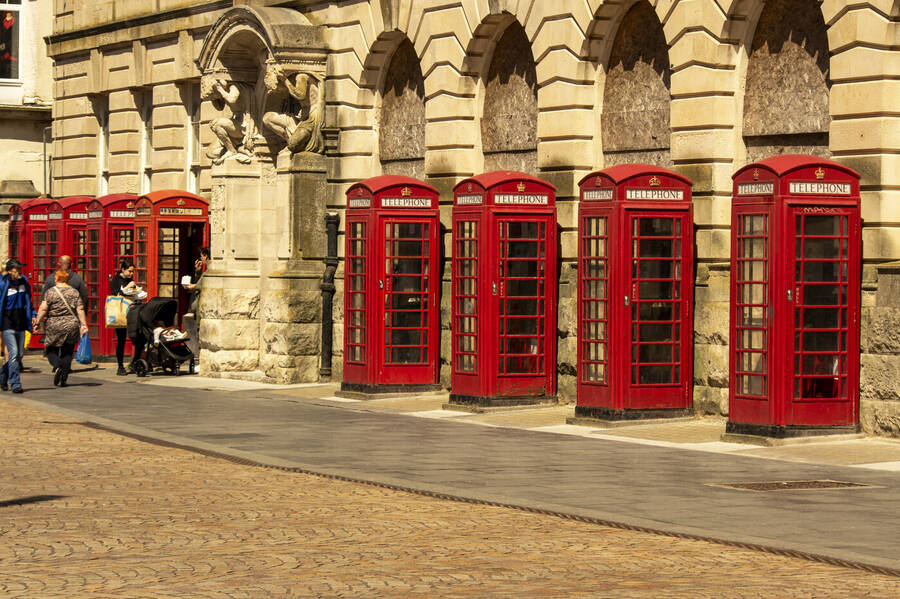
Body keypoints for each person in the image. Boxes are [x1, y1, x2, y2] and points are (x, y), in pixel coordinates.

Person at [33, 269, 89, 387]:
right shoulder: (74, 292)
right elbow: (80, 309)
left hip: (54, 324)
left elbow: (43, 308)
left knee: (50, 349)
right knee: (67, 351)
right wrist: (83, 324)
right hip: (71, 324)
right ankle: (63, 378)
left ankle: (57, 366)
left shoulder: (51, 292)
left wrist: (37, 321)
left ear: (56, 279)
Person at [0, 259, 35, 393]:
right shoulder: (3, 283)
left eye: (20, 270)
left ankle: (2, 375)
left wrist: (33, 314)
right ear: (9, 271)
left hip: (21, 322)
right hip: (7, 322)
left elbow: (28, 300)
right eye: (17, 270)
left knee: (19, 354)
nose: (20, 273)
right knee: (13, 353)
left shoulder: (24, 282)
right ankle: (15, 383)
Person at [109, 258, 138, 375]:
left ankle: (136, 361)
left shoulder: (130, 279)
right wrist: (127, 287)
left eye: (132, 272)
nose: (131, 274)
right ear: (123, 269)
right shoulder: (115, 280)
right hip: (120, 312)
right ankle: (120, 366)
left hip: (131, 311)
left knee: (136, 337)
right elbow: (115, 294)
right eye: (130, 271)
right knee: (121, 340)